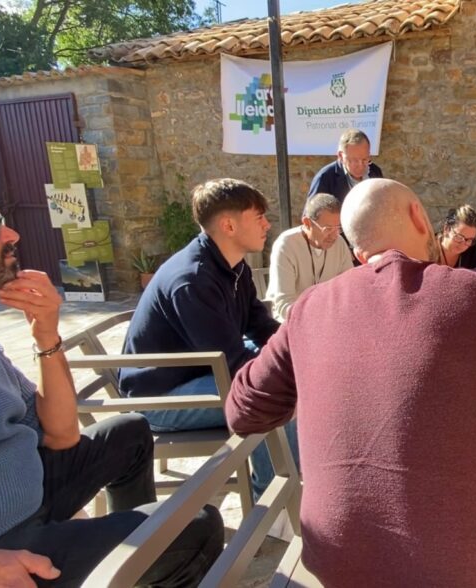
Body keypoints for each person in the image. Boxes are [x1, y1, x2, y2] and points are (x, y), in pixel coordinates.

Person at [0, 166, 223, 586]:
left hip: (24, 494)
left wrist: (47, 334)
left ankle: (125, 568)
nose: (11, 234)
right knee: (192, 527)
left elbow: (62, 435)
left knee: (129, 431)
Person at [227, 178, 476, 587]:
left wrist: (316, 382)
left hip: (339, 567)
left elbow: (242, 411)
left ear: (358, 253)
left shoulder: (308, 309)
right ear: (419, 218)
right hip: (470, 572)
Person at [120, 178, 297, 499]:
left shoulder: (233, 266)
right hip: (161, 397)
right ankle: (275, 500)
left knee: (285, 371)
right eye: (259, 217)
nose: (267, 225)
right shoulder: (193, 280)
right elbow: (233, 364)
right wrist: (287, 372)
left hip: (200, 370)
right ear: (229, 225)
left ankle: (293, 482)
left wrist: (300, 350)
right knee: (273, 393)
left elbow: (259, 326)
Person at [265, 192, 353, 321]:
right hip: (289, 321)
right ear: (307, 223)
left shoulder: (339, 244)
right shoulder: (287, 244)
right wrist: (316, 320)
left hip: (327, 319)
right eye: (328, 229)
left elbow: (349, 289)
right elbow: (283, 303)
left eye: (338, 228)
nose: (334, 235)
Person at [307, 129, 383, 204]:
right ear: (340, 156)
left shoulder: (374, 171)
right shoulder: (325, 178)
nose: (361, 165)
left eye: (365, 159)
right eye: (354, 160)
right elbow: (313, 211)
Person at [436, 204, 476, 269]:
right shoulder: (428, 247)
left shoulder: (475, 250)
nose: (463, 245)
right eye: (459, 237)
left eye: (469, 240)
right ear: (446, 229)